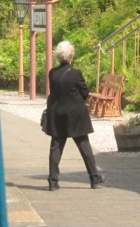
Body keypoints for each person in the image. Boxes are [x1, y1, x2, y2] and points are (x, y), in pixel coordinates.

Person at [44, 40, 106, 191]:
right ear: (71, 55)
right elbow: (84, 92)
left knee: (56, 146)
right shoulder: (75, 73)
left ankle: (53, 181)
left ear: (58, 56)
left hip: (57, 114)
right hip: (75, 116)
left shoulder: (52, 73)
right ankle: (94, 178)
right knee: (84, 145)